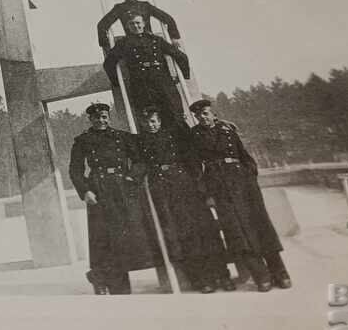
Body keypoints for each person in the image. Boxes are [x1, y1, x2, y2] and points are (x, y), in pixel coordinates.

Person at [188, 99, 292, 292]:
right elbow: (196, 168)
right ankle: (261, 275)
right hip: (219, 188)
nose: (203, 117)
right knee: (237, 232)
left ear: (213, 114)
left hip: (244, 185)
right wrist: (206, 193)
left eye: (206, 113)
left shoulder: (228, 130)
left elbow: (245, 157)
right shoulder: (194, 136)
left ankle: (280, 272)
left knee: (261, 225)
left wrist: (250, 176)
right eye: (198, 115)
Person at [135, 107, 233, 293]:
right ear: (142, 123)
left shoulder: (174, 135)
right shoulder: (140, 141)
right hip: (165, 190)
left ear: (160, 120)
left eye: (154, 120)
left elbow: (192, 154)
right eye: (147, 122)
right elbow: (138, 163)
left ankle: (222, 274)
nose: (151, 125)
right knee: (184, 233)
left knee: (207, 229)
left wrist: (197, 182)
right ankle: (201, 279)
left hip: (186, 186)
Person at [68, 102, 161, 294]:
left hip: (123, 188)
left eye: (104, 117)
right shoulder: (83, 140)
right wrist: (85, 190)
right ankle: (104, 280)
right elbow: (75, 169)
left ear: (108, 118)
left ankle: (114, 278)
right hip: (99, 191)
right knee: (103, 237)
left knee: (129, 233)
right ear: (90, 119)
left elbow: (140, 161)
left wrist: (131, 178)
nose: (101, 121)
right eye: (96, 118)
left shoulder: (122, 137)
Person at [103, 15, 191, 132]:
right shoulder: (123, 43)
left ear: (144, 24)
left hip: (163, 83)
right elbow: (109, 63)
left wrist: (183, 76)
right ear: (128, 26)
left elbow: (180, 56)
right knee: (149, 119)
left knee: (175, 115)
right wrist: (117, 82)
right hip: (142, 85)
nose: (136, 26)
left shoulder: (156, 40)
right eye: (132, 24)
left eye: (138, 23)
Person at [96, 0, 181, 52]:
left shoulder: (145, 6)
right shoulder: (119, 8)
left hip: (149, 40)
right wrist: (105, 45)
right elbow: (102, 25)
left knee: (178, 54)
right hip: (131, 43)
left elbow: (168, 19)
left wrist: (174, 38)